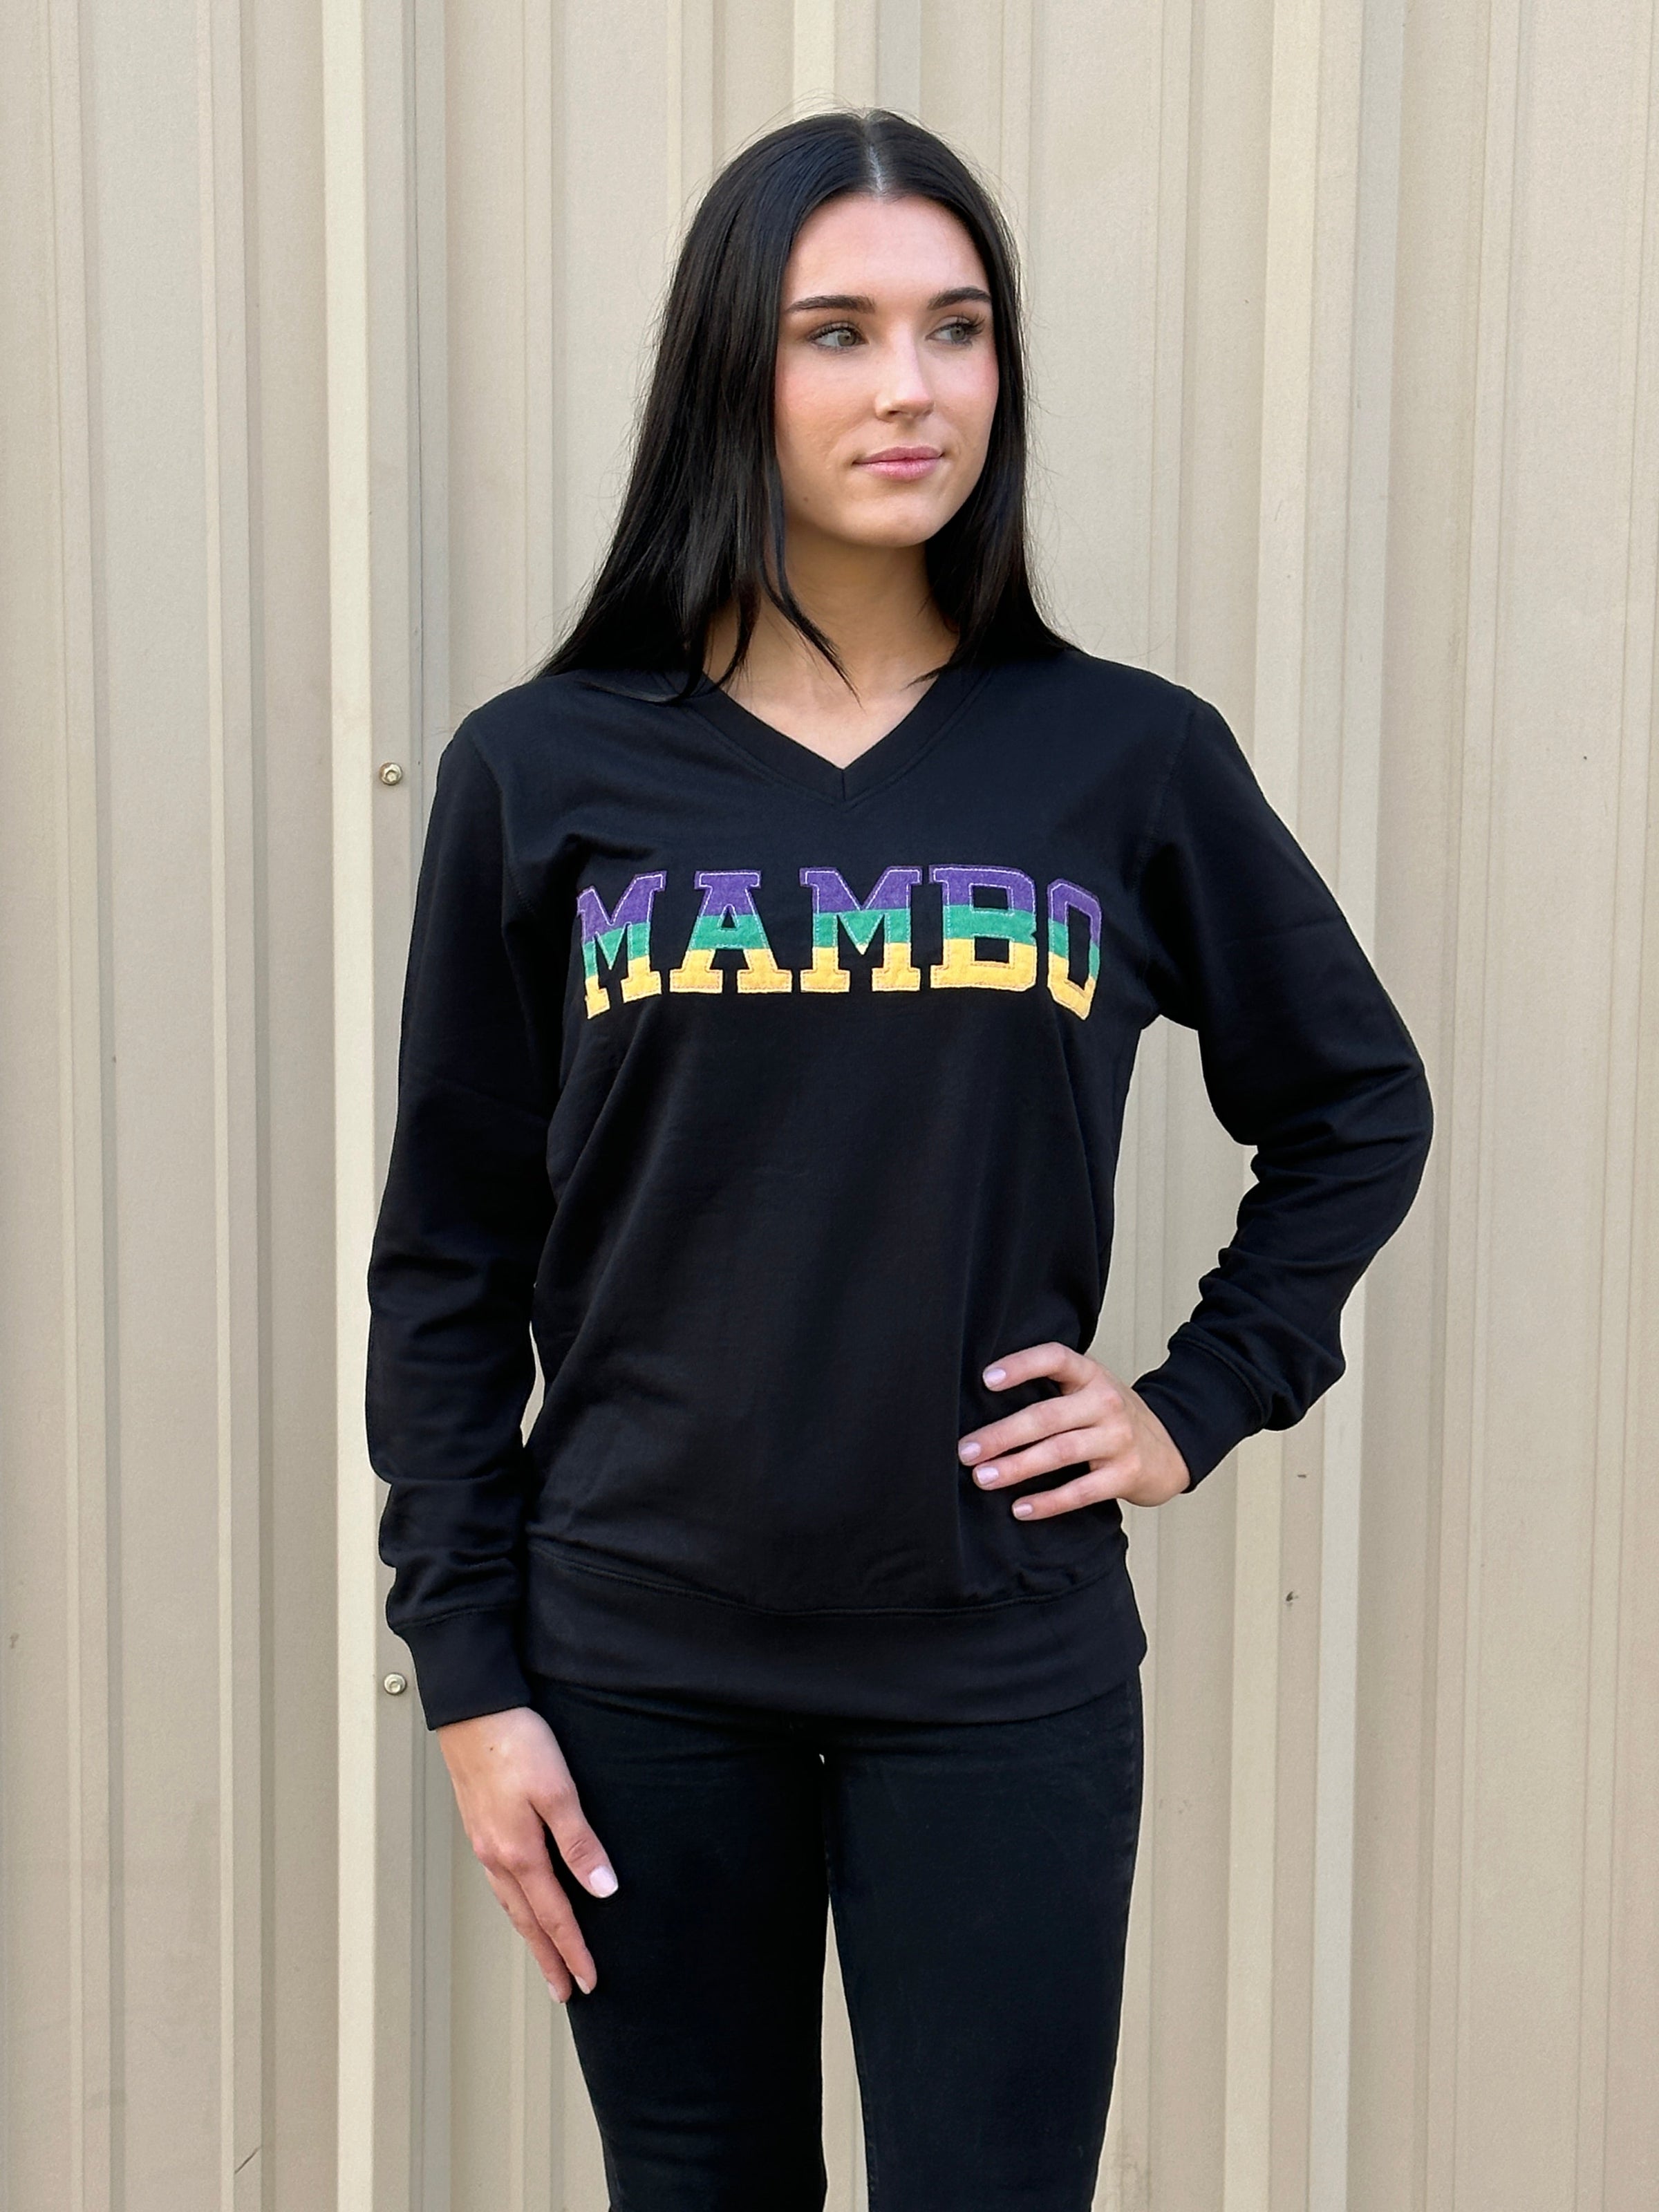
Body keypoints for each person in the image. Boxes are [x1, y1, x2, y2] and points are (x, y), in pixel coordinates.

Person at [364, 106, 1434, 2211]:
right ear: (732, 372)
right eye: (837, 332)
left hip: (996, 1653)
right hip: (639, 1660)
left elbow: (1353, 1104)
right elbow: (451, 1257)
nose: (912, 386)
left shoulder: (1120, 757)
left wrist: (1199, 1398)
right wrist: (470, 1677)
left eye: (958, 327)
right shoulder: (542, 768)